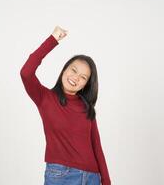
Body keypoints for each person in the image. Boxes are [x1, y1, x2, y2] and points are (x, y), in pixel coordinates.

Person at [20, 26, 111, 185]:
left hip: (92, 178)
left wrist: (106, 181)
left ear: (85, 84)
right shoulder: (45, 98)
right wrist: (52, 40)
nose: (76, 78)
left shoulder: (86, 107)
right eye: (73, 70)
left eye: (83, 77)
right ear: (64, 70)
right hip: (61, 176)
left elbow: (96, 146)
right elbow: (26, 72)